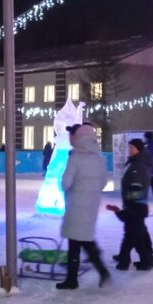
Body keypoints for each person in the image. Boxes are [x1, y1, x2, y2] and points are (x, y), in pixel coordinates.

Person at [56, 123, 110, 290]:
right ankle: (99, 271)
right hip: (92, 204)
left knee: (76, 242)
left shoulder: (75, 158)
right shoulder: (99, 158)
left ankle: (73, 279)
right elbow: (103, 182)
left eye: (71, 135)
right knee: (84, 239)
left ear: (77, 138)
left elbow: (65, 183)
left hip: (76, 205)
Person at [107, 137, 153, 271]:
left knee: (131, 235)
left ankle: (126, 260)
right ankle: (146, 259)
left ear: (138, 149)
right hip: (135, 205)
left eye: (132, 148)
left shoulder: (138, 164)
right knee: (138, 234)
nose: (129, 150)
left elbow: (138, 186)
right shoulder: (135, 162)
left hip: (136, 205)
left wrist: (131, 203)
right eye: (129, 147)